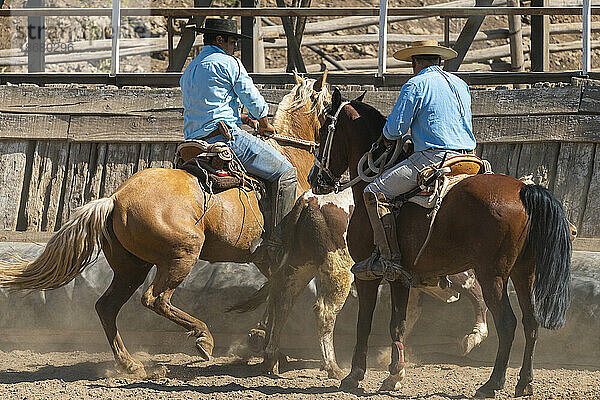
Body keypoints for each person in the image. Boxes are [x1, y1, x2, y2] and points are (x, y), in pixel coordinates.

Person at [360, 40, 477, 281]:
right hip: (468, 158)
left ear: (414, 63)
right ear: (440, 61)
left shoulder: (416, 84)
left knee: (374, 192)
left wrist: (384, 138)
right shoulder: (461, 84)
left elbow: (395, 129)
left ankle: (389, 260)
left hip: (433, 158)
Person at [180, 18, 297, 255]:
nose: (235, 47)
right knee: (287, 173)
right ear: (220, 40)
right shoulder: (228, 62)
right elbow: (253, 99)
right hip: (226, 138)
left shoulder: (190, 68)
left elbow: (208, 106)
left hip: (194, 140)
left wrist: (243, 119)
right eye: (233, 41)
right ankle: (278, 244)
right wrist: (264, 123)